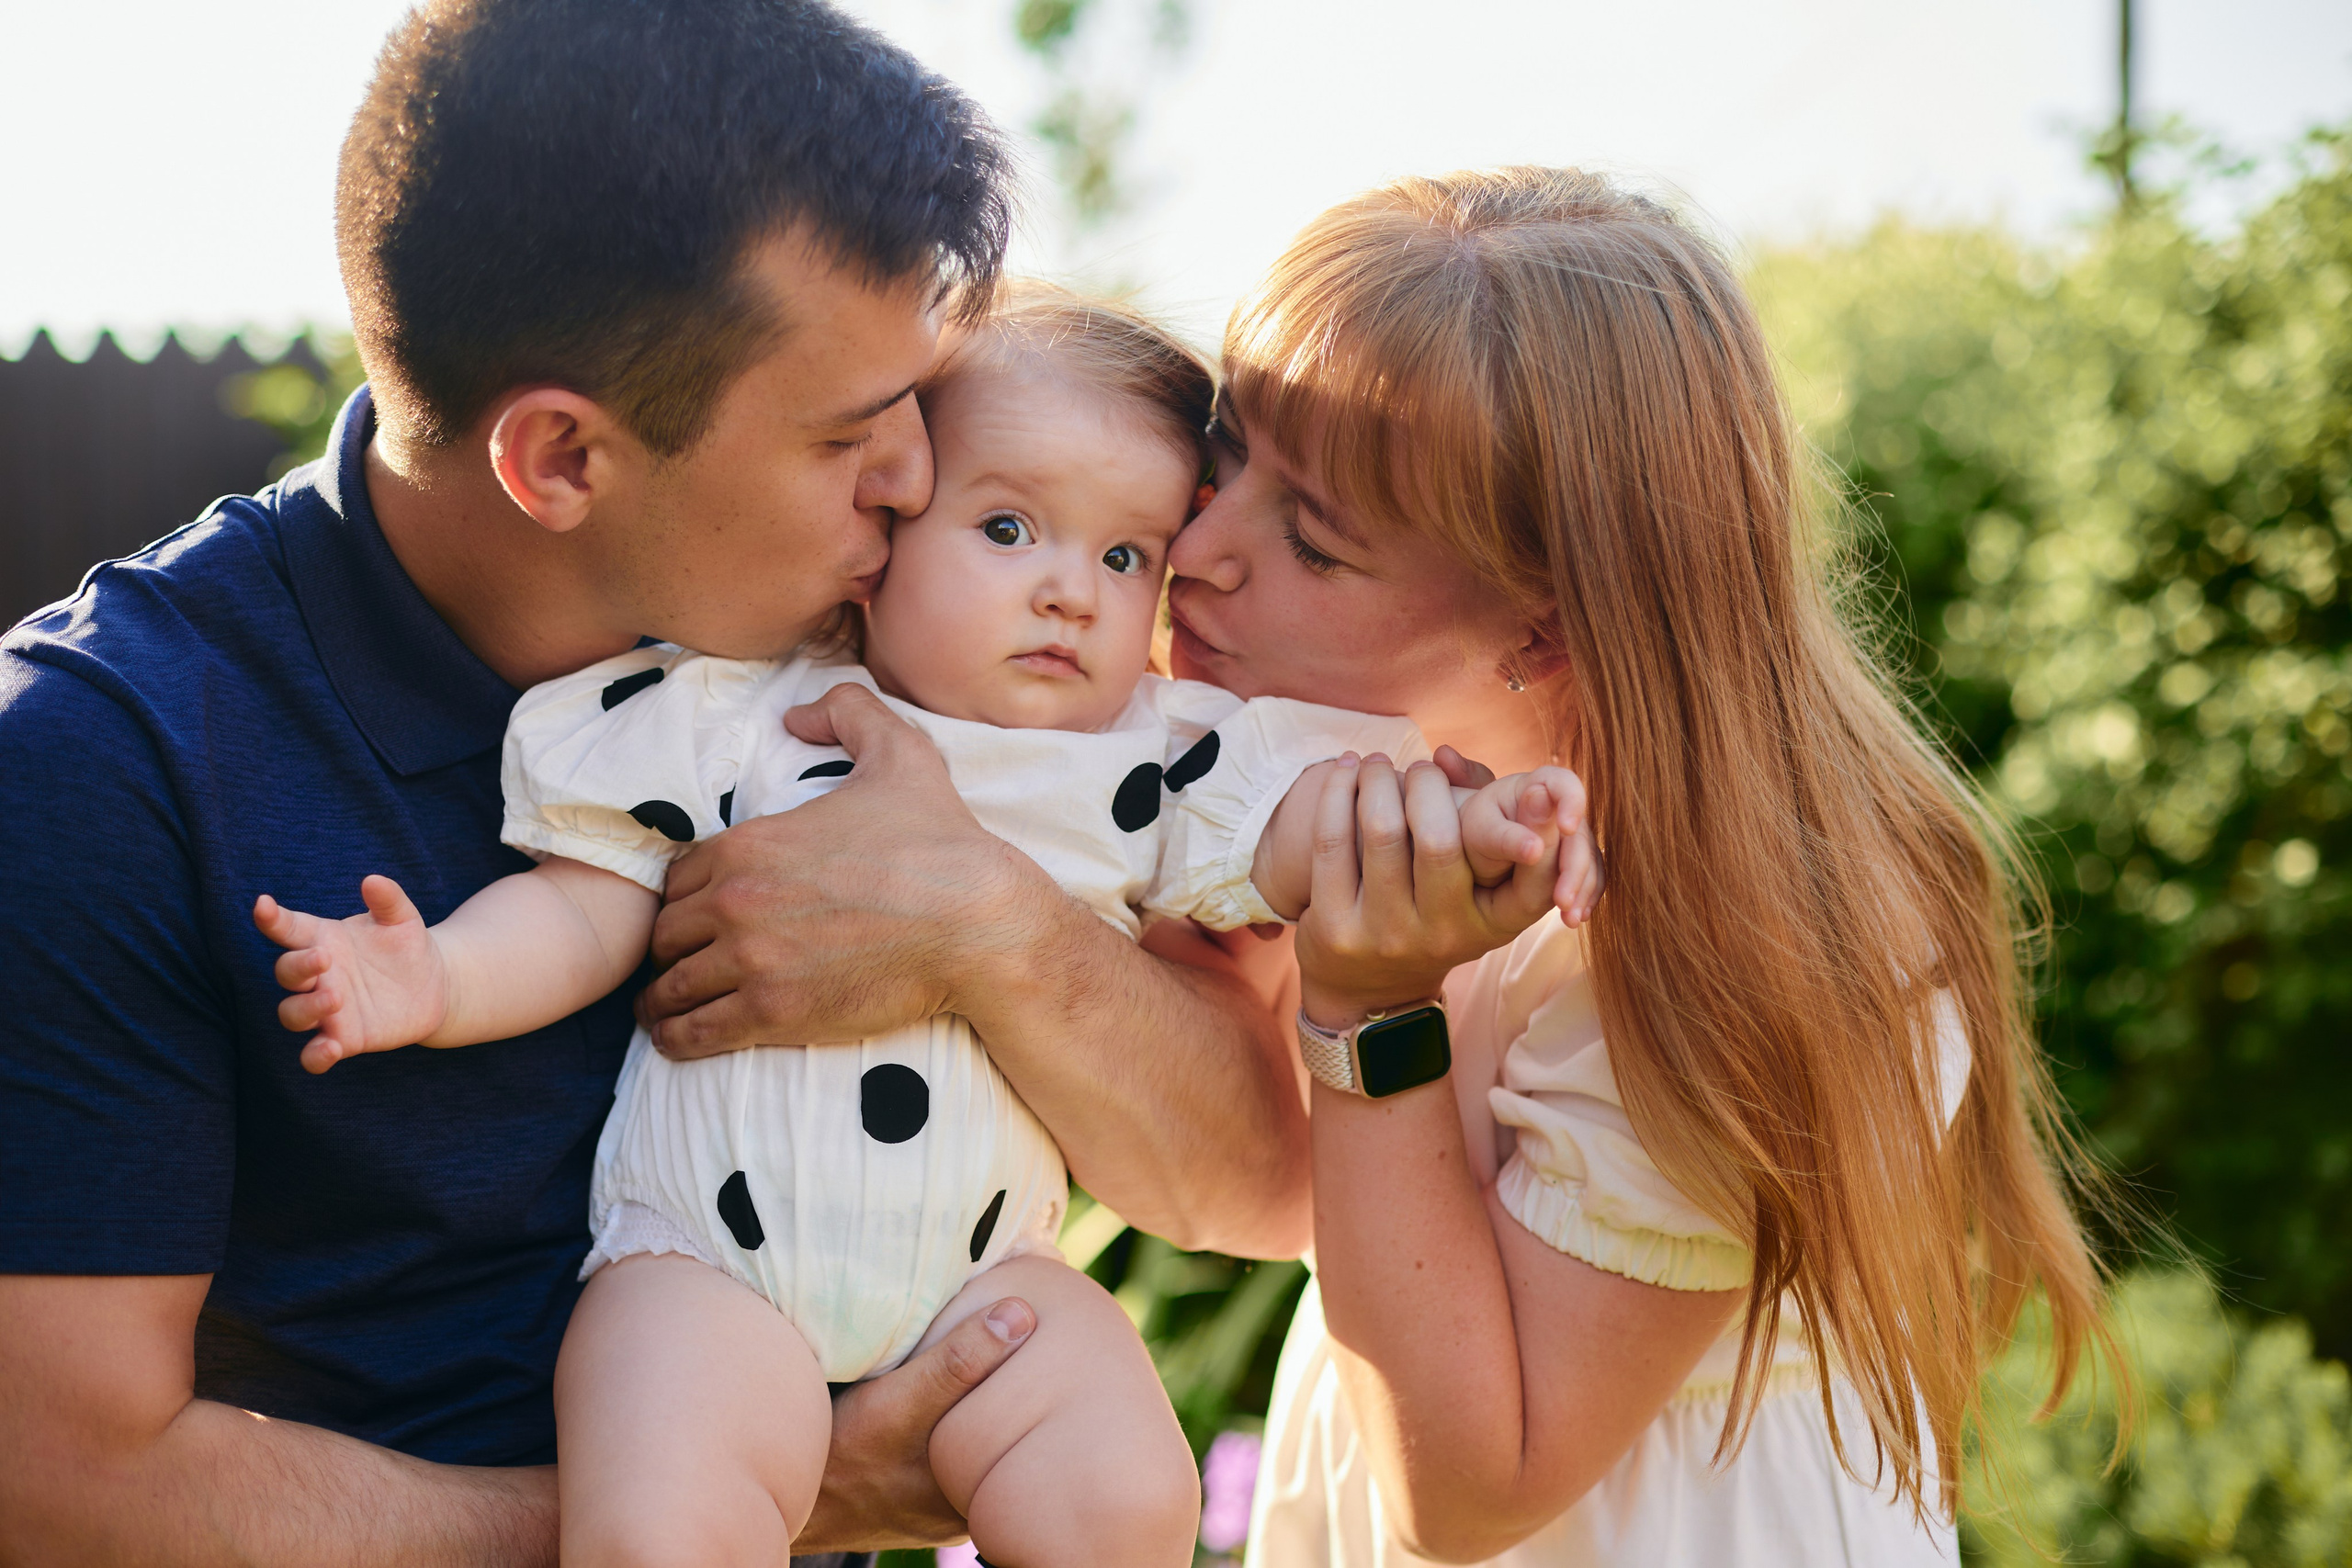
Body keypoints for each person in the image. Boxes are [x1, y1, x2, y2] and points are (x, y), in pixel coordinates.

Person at [0, 6, 1306, 1563]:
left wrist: (995, 927)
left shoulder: (896, 659)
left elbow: (1258, 1194)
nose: (916, 475)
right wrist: (782, 1495)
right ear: (560, 460)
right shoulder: (98, 763)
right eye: (848, 434)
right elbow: (64, 1478)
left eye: (919, 399)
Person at [254, 285, 1599, 1567]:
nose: (1074, 589)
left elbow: (1324, 825)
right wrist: (435, 977)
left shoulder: (1150, 751)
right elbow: (586, 905)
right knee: (665, 1522)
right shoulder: (743, 713)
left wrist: (1477, 822)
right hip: (716, 1269)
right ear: (884, 532)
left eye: (1125, 552)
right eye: (1009, 530)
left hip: (982, 1282)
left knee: (1127, 1492)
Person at [1155, 168, 2114, 1565]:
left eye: (1310, 538)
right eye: (1225, 454)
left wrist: (1371, 1014)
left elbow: (1476, 1487)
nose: (1193, 550)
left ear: (1545, 631)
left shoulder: (1767, 933)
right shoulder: (1366, 777)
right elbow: (1248, 1176)